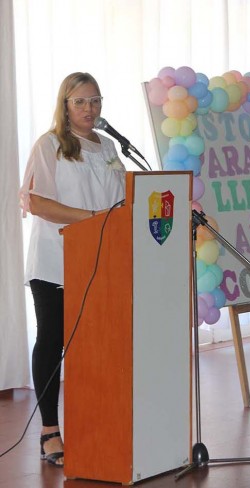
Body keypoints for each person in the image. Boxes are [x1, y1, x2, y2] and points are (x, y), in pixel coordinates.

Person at [19, 72, 126, 466]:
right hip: (54, 262)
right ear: (64, 105)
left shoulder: (110, 146)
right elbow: (37, 202)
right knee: (52, 340)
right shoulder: (50, 145)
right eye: (79, 102)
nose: (89, 109)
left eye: (95, 100)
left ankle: (95, 424)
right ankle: (50, 430)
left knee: (95, 346)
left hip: (101, 261)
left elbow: (122, 199)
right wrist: (91, 218)